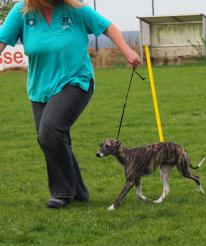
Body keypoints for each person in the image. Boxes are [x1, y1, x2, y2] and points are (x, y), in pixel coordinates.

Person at [0, 0, 141, 208]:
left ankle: (62, 192)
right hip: (40, 88)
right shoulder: (21, 11)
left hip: (76, 80)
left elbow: (108, 27)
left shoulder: (75, 7)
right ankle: (79, 192)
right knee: (50, 139)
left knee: (49, 131)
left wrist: (127, 51)